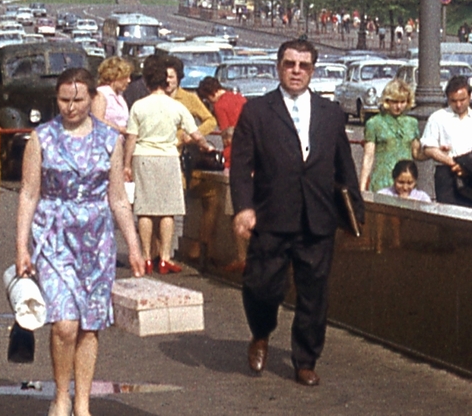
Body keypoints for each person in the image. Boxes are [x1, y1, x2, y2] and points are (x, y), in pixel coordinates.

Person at [230, 38, 363, 387]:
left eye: (303, 66)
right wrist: (243, 208)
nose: (296, 71)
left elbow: (344, 166)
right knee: (261, 287)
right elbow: (241, 166)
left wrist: (356, 214)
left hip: (317, 218)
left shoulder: (330, 113)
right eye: (290, 64)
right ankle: (260, 332)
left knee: (314, 295)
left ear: (312, 70)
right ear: (279, 66)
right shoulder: (257, 111)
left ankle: (305, 359)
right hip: (271, 215)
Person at [15, 69, 145, 416]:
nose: (71, 107)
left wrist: (133, 245)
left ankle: (83, 400)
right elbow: (28, 194)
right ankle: (61, 394)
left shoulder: (109, 139)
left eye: (78, 100)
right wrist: (21, 247)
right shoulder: (42, 138)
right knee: (64, 324)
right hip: (54, 236)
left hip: (97, 239)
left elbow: (118, 198)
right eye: (64, 100)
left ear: (91, 98)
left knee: (89, 323)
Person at [123, 58, 198, 274]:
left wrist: (127, 165)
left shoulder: (138, 106)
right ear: (165, 82)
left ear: (146, 82)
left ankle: (147, 257)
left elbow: (131, 138)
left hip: (143, 156)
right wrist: (195, 143)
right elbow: (195, 134)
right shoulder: (176, 106)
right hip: (168, 157)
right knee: (168, 211)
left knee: (144, 210)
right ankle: (164, 258)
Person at [420, 75, 472, 208]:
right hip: (446, 173)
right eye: (453, 101)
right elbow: (429, 147)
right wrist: (453, 163)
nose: (458, 105)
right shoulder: (437, 118)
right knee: (447, 216)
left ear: (470, 96)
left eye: (462, 100)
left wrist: (466, 169)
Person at [359, 80, 420, 193]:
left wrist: (434, 151)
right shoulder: (374, 123)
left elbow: (416, 153)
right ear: (387, 101)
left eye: (402, 102)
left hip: (406, 180)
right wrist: (362, 188)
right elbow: (368, 156)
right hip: (383, 179)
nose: (398, 106)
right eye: (394, 102)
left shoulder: (412, 123)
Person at [88, 57, 132, 134]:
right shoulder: (101, 94)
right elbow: (97, 120)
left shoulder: (119, 95)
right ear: (115, 76)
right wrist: (120, 129)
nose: (129, 80)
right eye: (125, 77)